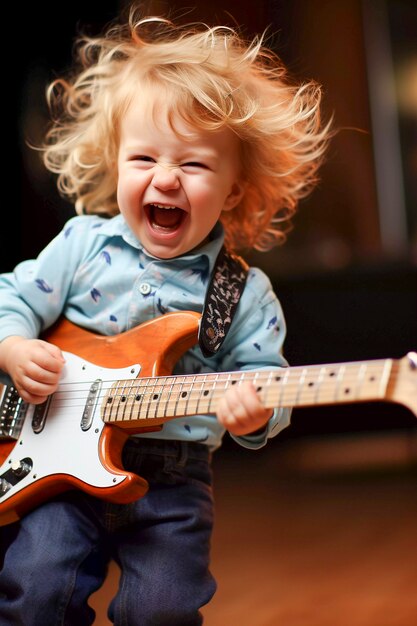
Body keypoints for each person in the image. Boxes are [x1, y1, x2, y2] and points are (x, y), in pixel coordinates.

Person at [0, 7, 329, 625]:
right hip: (60, 469)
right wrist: (12, 347)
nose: (166, 179)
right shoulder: (80, 246)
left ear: (232, 188)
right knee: (37, 588)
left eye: (195, 164)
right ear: (116, 162)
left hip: (172, 485)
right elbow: (10, 300)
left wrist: (256, 412)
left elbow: (266, 383)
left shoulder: (244, 294)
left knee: (162, 610)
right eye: (144, 160)